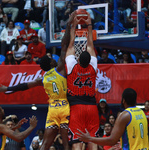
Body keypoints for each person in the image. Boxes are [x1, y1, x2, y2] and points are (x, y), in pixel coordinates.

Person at [0, 12, 76, 150]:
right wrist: (68, 25)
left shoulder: (42, 79)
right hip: (64, 107)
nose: (53, 59)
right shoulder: (60, 68)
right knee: (66, 143)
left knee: (45, 145)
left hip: (52, 110)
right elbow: (64, 44)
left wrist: (7, 89)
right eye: (50, 59)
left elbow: (23, 86)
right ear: (50, 64)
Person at [65, 13, 99, 150]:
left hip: (76, 107)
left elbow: (71, 45)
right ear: (90, 60)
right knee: (92, 141)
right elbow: (90, 44)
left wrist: (73, 26)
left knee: (77, 142)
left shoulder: (72, 66)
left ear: (78, 59)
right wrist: (89, 25)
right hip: (91, 107)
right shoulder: (93, 67)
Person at [76, 88, 149, 150]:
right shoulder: (141, 112)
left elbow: (111, 140)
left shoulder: (124, 115)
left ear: (123, 100)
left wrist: (90, 139)